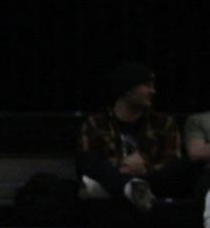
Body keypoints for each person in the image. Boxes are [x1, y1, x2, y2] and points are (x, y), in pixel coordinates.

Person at [78, 61, 188, 213]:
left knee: (180, 169)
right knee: (88, 161)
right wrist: (123, 168)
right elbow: (91, 164)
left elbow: (172, 164)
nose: (153, 91)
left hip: (153, 186)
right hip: (112, 191)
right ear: (128, 89)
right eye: (147, 85)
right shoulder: (96, 123)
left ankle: (127, 187)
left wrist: (144, 170)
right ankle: (128, 187)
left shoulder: (164, 123)